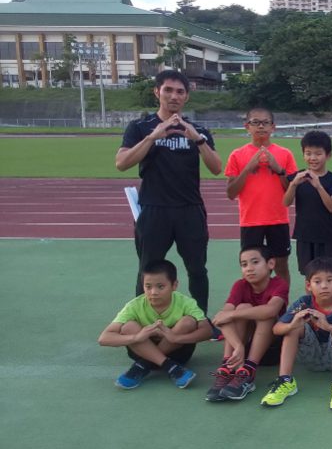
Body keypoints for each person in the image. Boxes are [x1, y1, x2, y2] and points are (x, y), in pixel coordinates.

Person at [116, 70, 222, 313]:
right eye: (168, 90)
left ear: (186, 97)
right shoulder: (141, 127)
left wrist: (198, 139)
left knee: (197, 269)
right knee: (148, 270)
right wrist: (152, 138)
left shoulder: (197, 129)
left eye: (180, 92)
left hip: (189, 209)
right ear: (157, 92)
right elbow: (121, 163)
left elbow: (217, 168)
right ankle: (143, 319)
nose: (174, 96)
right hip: (154, 209)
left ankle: (200, 319)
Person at [259, 257, 332, 410]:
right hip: (310, 356)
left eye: (329, 280)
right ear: (308, 285)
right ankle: (285, 380)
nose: (324, 286)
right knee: (294, 327)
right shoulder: (304, 302)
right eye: (317, 282)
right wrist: (292, 324)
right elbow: (276, 329)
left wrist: (328, 326)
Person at [98, 259, 212, 390]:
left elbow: (207, 331)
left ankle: (142, 365)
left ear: (174, 285)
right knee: (128, 326)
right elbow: (104, 338)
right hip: (141, 351)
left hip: (178, 353)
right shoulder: (134, 305)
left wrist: (176, 337)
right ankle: (171, 367)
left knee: (188, 322)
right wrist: (137, 337)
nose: (153, 292)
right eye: (148, 286)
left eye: (160, 286)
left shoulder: (186, 303)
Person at [226, 108, 298, 287]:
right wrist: (248, 168)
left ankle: (281, 302)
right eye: (255, 122)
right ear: (247, 127)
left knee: (281, 266)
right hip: (250, 221)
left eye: (265, 123)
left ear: (273, 127)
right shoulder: (237, 155)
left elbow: (291, 190)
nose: (260, 127)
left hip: (278, 219)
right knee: (252, 270)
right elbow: (231, 193)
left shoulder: (285, 154)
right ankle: (253, 302)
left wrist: (278, 169)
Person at [206, 246, 289, 402]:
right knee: (242, 308)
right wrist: (238, 346)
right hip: (242, 351)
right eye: (244, 264)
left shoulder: (279, 284)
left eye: (255, 262)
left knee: (263, 314)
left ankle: (248, 372)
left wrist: (232, 314)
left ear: (270, 264)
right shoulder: (240, 285)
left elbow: (271, 310)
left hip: (272, 349)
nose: (249, 268)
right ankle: (227, 367)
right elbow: (222, 318)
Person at [284, 130, 332, 277]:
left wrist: (318, 186)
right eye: (308, 153)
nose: (313, 158)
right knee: (309, 276)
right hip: (305, 235)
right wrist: (293, 184)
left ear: (328, 155)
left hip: (327, 235)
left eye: (318, 154)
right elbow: (286, 202)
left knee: (329, 275)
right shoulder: (297, 177)